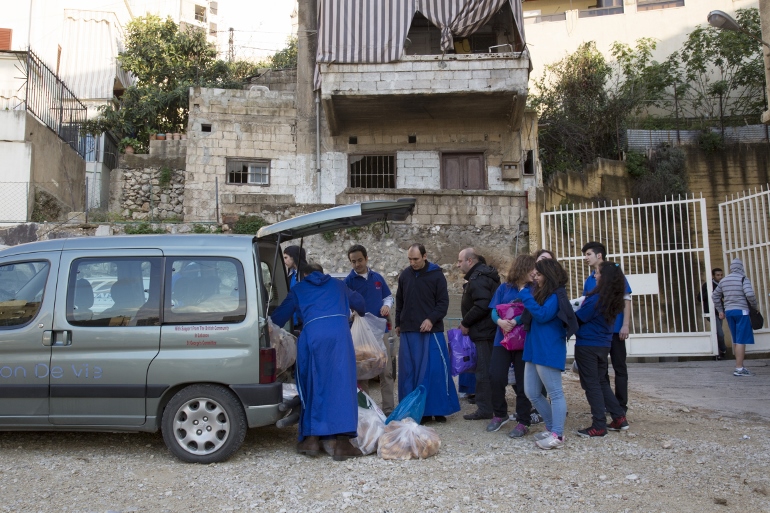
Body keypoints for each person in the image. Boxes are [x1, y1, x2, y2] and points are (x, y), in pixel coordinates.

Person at [270, 262, 366, 461]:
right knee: (342, 387)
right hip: (340, 338)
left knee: (312, 385)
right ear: (323, 273)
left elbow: (278, 318)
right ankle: (342, 444)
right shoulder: (339, 285)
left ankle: (311, 440)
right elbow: (362, 305)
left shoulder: (299, 288)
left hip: (313, 338)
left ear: (304, 275)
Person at [395, 243, 460, 423]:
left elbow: (443, 303)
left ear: (425, 256)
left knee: (435, 371)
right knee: (411, 372)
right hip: (409, 331)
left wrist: (431, 319)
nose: (412, 263)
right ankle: (417, 411)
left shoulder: (436, 275)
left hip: (431, 332)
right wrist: (398, 322)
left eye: (415, 259)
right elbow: (399, 300)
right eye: (409, 259)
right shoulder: (405, 275)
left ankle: (438, 410)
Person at [520, 258, 576, 450]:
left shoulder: (556, 296)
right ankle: (552, 428)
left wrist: (525, 295)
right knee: (532, 393)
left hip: (548, 349)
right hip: (534, 349)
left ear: (548, 276)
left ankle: (558, 435)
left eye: (539, 274)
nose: (535, 277)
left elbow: (543, 315)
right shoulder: (541, 294)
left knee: (555, 393)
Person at [574, 261, 629, 438]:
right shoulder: (612, 297)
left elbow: (580, 318)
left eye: (597, 273)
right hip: (603, 344)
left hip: (588, 344)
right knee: (601, 381)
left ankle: (598, 425)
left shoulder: (596, 299)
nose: (595, 276)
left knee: (592, 384)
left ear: (604, 278)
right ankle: (619, 417)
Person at [487, 254, 537, 436]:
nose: (535, 272)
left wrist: (515, 321)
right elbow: (493, 310)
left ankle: (524, 421)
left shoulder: (535, 288)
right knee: (495, 376)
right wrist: (500, 322)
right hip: (502, 340)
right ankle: (500, 414)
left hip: (524, 341)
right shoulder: (504, 288)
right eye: (532, 268)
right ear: (523, 268)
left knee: (523, 382)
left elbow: (532, 311)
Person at [344, 244, 396, 415]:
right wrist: (351, 313)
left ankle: (389, 410)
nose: (357, 264)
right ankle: (367, 411)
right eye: (353, 261)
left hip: (380, 332)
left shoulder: (377, 278)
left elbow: (388, 296)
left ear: (366, 259)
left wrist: (387, 306)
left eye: (360, 260)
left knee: (386, 371)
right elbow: (343, 304)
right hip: (360, 334)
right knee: (362, 371)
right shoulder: (348, 282)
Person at [582, 241, 632, 413]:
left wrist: (625, 324)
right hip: (598, 333)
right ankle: (606, 404)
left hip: (616, 329)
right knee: (600, 371)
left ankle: (621, 406)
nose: (586, 258)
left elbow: (626, 299)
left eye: (588, 254)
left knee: (619, 367)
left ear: (599, 255)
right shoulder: (589, 279)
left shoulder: (614, 273)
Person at [456, 248, 500, 422]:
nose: (458, 265)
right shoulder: (483, 276)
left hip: (484, 331)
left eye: (460, 261)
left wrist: (466, 322)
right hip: (486, 330)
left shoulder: (478, 278)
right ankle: (489, 405)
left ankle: (485, 408)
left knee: (483, 371)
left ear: (470, 261)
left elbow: (482, 305)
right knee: (485, 369)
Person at [713, 259, 759, 377]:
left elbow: (715, 295)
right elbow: (749, 294)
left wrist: (720, 310)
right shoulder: (743, 278)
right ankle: (739, 368)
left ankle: (739, 365)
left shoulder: (724, 280)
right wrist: (754, 306)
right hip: (742, 311)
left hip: (729, 312)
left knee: (736, 339)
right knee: (741, 340)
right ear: (741, 267)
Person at [698, 268, 727, 359]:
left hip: (720, 311)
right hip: (711, 311)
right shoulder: (707, 285)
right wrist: (710, 292)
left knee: (718, 333)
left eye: (721, 275)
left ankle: (718, 352)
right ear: (713, 276)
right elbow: (699, 298)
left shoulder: (723, 284)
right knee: (720, 333)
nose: (720, 277)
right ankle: (722, 349)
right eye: (718, 275)